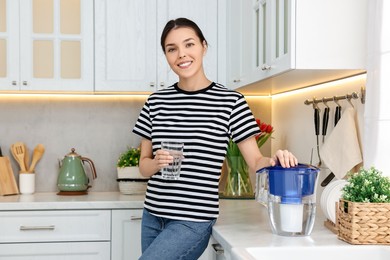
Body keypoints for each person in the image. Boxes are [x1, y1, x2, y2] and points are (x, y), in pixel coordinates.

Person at [132, 17, 298, 260]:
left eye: (189, 45)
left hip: (192, 220)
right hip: (152, 216)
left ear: (203, 46)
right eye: (172, 49)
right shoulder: (155, 102)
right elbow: (142, 166)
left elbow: (255, 161)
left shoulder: (231, 102)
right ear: (166, 56)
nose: (181, 54)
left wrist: (275, 160)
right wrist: (156, 163)